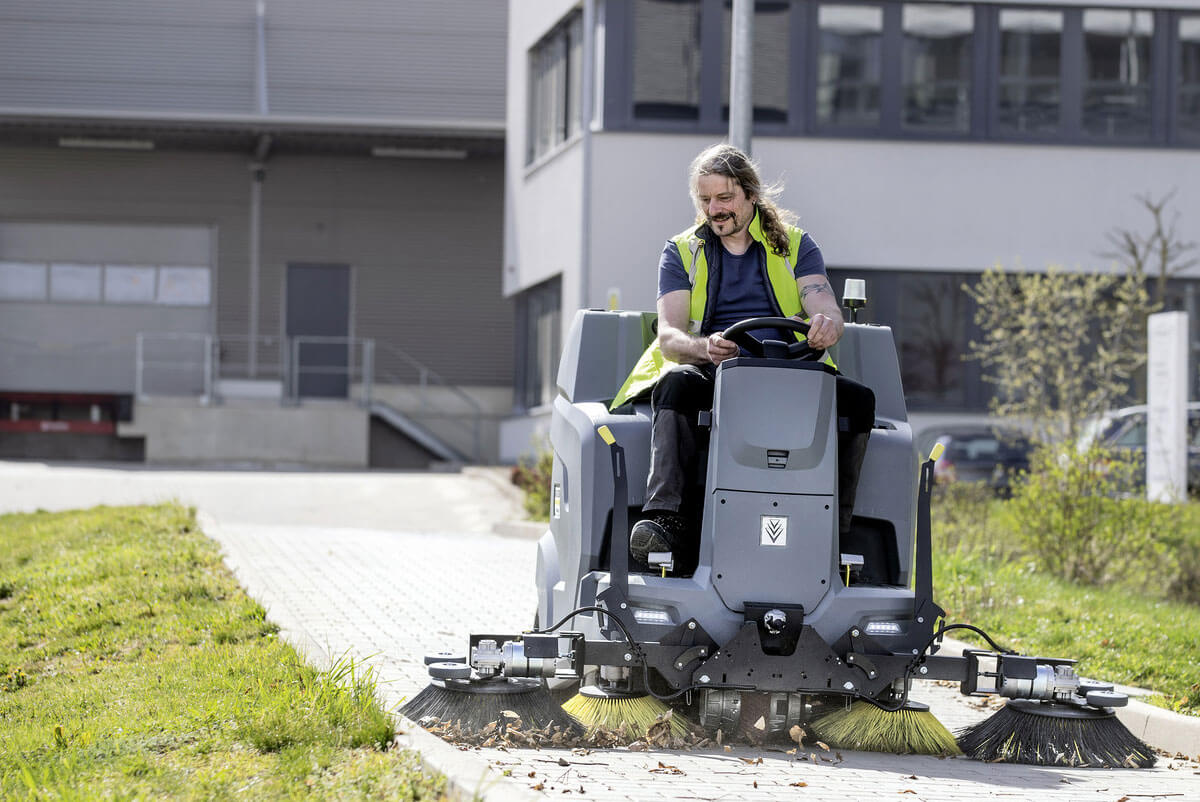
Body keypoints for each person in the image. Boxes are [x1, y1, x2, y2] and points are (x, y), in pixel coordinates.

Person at [612, 143, 875, 572]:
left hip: (791, 371)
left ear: (752, 194)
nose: (714, 209)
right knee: (676, 384)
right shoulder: (681, 252)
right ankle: (664, 519)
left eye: (724, 198)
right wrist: (704, 347)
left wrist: (828, 323)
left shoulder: (795, 245)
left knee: (859, 400)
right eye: (705, 199)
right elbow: (671, 336)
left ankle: (836, 531)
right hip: (716, 371)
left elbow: (822, 302)